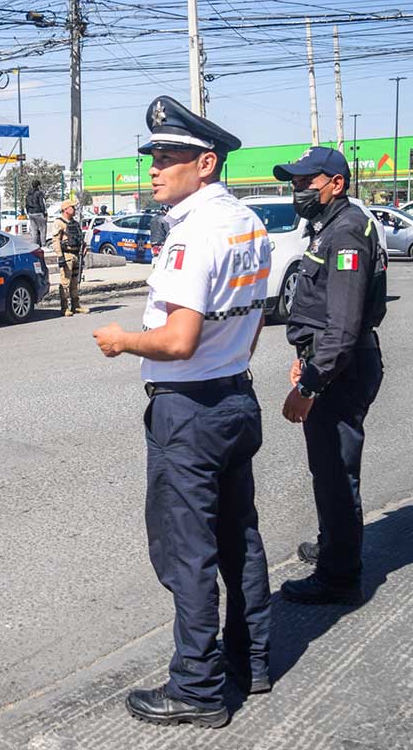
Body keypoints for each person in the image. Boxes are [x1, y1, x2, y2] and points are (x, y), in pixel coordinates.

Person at [93, 96, 272, 729]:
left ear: (206, 163)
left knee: (186, 551)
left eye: (168, 156)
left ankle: (196, 686)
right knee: (238, 536)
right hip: (235, 396)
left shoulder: (193, 234)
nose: (154, 168)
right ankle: (252, 661)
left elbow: (178, 340)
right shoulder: (248, 222)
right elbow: (252, 323)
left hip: (190, 410)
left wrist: (122, 341)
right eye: (153, 156)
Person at [273, 146, 387, 606]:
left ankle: (339, 578)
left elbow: (341, 329)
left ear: (336, 184)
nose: (298, 190)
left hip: (340, 371)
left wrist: (309, 385)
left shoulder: (346, 234)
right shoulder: (330, 227)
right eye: (295, 183)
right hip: (329, 363)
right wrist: (305, 356)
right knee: (326, 468)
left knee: (336, 473)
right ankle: (334, 545)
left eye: (306, 182)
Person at [51, 197, 88, 316]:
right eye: (72, 207)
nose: (74, 209)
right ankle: (64, 307)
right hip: (67, 255)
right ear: (66, 209)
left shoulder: (75, 224)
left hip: (77, 255)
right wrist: (60, 256)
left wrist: (84, 247)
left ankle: (76, 305)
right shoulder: (59, 223)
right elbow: (55, 240)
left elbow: (80, 238)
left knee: (75, 282)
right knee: (65, 282)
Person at [25, 179, 48, 246]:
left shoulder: (28, 194)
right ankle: (43, 245)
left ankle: (34, 245)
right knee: (42, 229)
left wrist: (28, 212)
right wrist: (44, 213)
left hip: (31, 213)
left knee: (34, 230)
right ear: (38, 186)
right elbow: (42, 203)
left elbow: (26, 204)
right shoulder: (39, 193)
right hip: (38, 212)